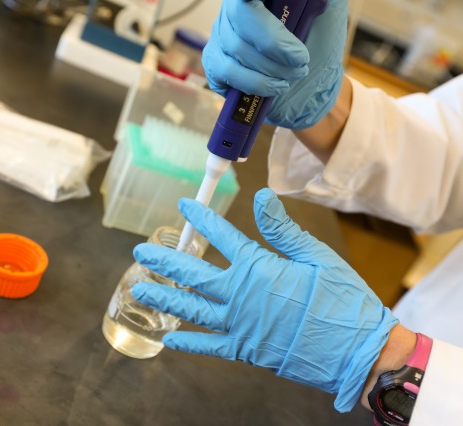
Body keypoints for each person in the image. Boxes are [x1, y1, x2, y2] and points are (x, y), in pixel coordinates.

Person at [131, 1, 463, 425]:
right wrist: (323, 105)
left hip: (398, 387)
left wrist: (387, 362)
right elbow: (448, 163)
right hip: (380, 383)